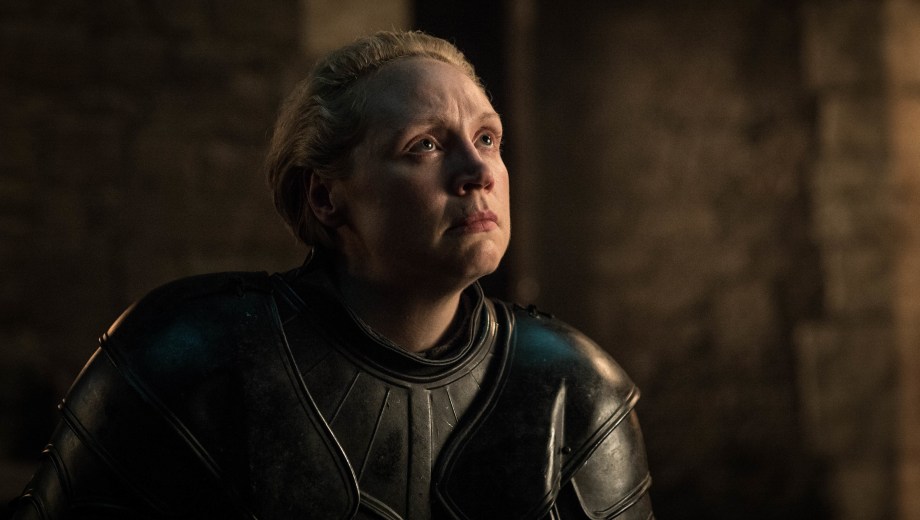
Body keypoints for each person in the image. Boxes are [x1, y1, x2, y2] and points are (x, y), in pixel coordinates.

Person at [9, 31, 653, 519]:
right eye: (425, 145)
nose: (478, 172)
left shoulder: (572, 385)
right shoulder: (188, 355)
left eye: (487, 138)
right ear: (325, 197)